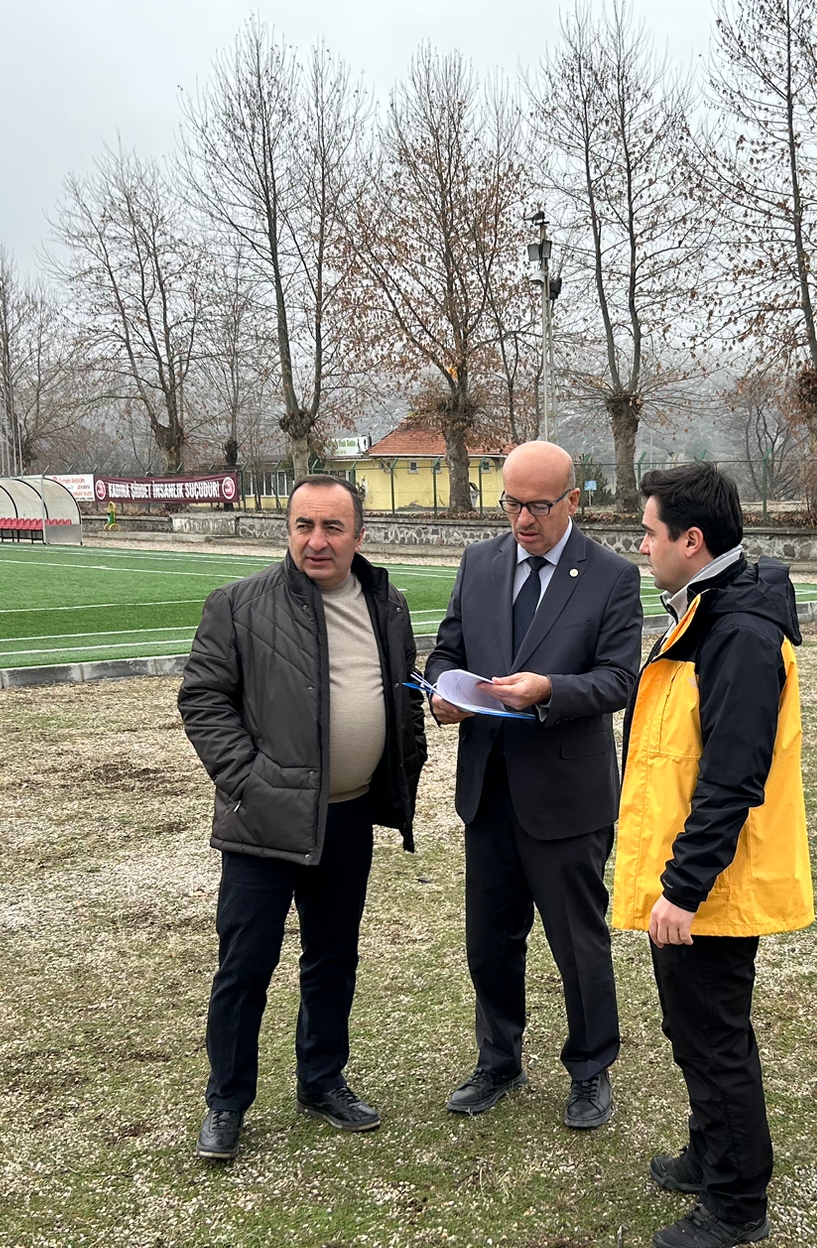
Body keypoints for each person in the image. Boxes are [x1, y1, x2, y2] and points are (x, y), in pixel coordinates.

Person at [177, 475, 426, 1159]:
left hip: (347, 818)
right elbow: (203, 700)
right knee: (245, 966)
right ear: (287, 530)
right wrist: (249, 782)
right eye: (303, 526)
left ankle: (322, 1080)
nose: (317, 541)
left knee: (333, 958)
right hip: (263, 823)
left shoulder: (387, 604)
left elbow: (402, 693)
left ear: (359, 535)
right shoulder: (238, 604)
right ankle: (227, 1101)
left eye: (332, 527)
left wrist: (407, 756)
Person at [611, 460, 814, 1248]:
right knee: (692, 1026)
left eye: (649, 532)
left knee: (714, 1033)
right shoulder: (706, 613)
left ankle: (735, 1199)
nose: (642, 546)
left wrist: (684, 887)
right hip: (692, 878)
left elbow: (732, 776)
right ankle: (710, 1151)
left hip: (711, 887)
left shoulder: (738, 633)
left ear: (691, 540)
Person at [425, 441, 645, 1130]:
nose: (523, 520)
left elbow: (619, 678)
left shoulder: (611, 575)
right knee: (490, 938)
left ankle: (590, 1068)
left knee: (578, 941)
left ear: (573, 501)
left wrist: (549, 689)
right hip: (488, 787)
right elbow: (448, 648)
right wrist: (441, 691)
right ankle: (498, 1060)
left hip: (566, 795)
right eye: (511, 504)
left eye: (539, 506)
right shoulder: (479, 562)